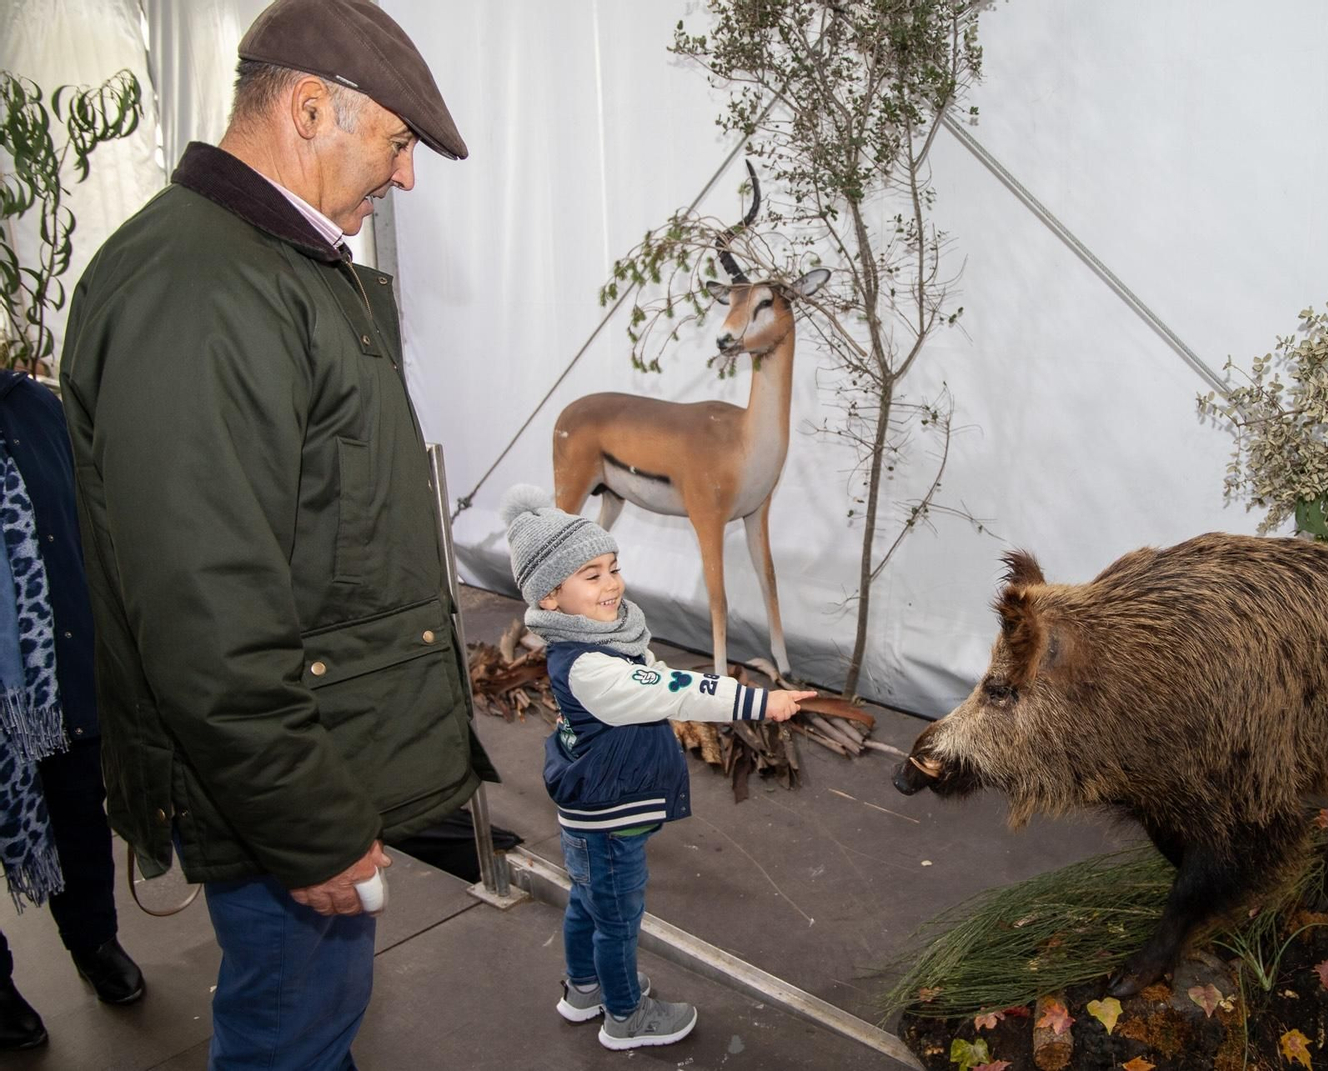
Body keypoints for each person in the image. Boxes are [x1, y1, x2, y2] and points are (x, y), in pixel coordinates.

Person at [58, 1, 495, 1066]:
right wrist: (305, 819)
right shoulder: (203, 290)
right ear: (309, 108)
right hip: (278, 791)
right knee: (290, 1035)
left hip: (314, 757)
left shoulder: (270, 265)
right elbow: (206, 609)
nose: (405, 177)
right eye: (396, 143)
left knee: (310, 1024)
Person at [500, 485, 815, 1051]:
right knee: (617, 919)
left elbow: (653, 672)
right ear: (549, 598)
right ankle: (625, 1017)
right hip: (608, 817)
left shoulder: (598, 640)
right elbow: (674, 689)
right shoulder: (591, 667)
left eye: (612, 567)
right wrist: (759, 702)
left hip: (590, 809)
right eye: (591, 575)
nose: (612, 583)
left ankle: (584, 991)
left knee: (587, 902)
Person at [0, 372, 143, 1051]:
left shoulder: (36, 404)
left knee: (80, 818)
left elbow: (87, 525)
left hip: (59, 672)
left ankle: (95, 941)